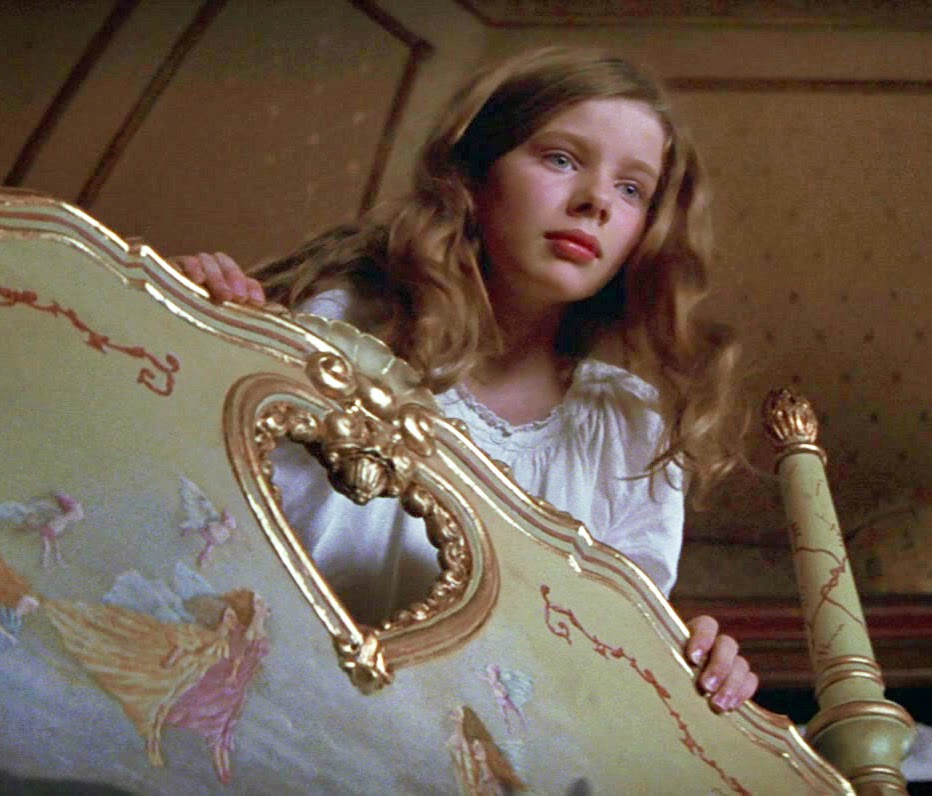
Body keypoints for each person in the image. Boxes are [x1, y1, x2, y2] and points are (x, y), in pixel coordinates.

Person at [176, 47, 757, 711]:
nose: (596, 200)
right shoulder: (337, 329)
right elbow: (195, 522)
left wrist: (690, 663)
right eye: (561, 158)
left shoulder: (629, 429)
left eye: (632, 190)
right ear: (476, 173)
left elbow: (592, 678)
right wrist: (182, 328)